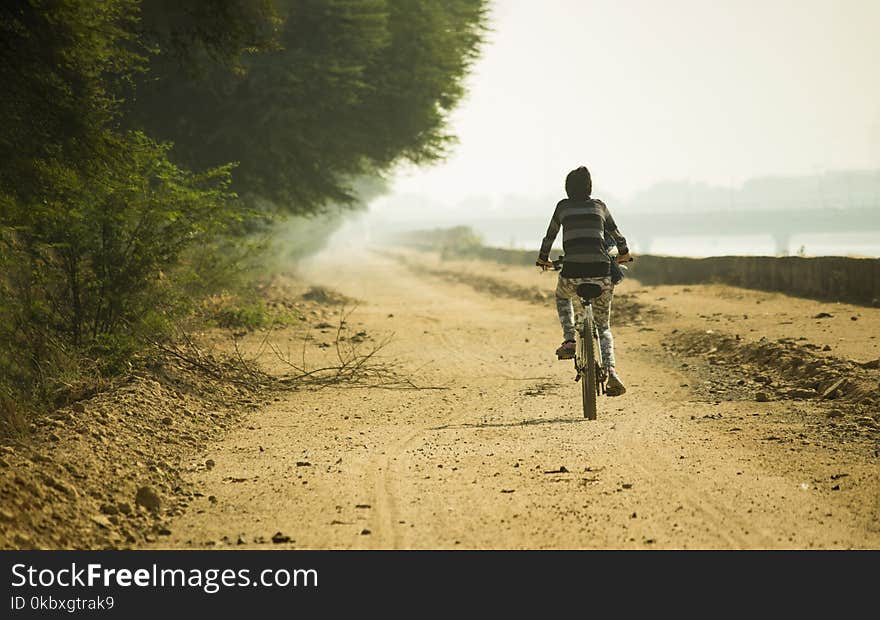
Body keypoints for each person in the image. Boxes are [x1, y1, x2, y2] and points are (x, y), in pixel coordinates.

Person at [536, 166, 630, 396]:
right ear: (590, 187)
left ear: (567, 188)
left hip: (572, 272)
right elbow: (617, 236)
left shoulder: (563, 207)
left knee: (561, 296)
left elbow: (550, 235)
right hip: (601, 272)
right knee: (603, 327)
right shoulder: (600, 206)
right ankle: (612, 371)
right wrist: (625, 254)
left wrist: (542, 259)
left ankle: (569, 339)